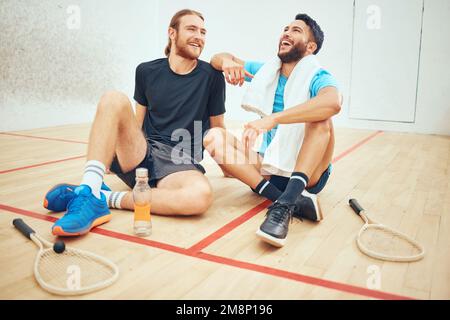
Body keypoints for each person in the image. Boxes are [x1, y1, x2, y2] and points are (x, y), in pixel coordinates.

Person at [44, 9, 226, 236]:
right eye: (191, 29)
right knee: (113, 98)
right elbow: (137, 121)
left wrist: (227, 166)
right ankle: (90, 184)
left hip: (180, 163)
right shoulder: (146, 71)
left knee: (199, 196)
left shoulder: (212, 76)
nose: (199, 36)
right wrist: (112, 155)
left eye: (203, 32)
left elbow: (218, 128)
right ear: (172, 33)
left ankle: (98, 196)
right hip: (142, 154)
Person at [205, 13, 341, 247]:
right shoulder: (268, 71)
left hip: (310, 174)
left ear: (310, 47)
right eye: (285, 28)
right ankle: (285, 200)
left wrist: (272, 120)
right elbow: (218, 58)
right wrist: (227, 63)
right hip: (271, 167)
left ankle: (286, 205)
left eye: (296, 30)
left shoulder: (318, 76)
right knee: (213, 137)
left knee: (322, 118)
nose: (287, 32)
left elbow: (333, 103)